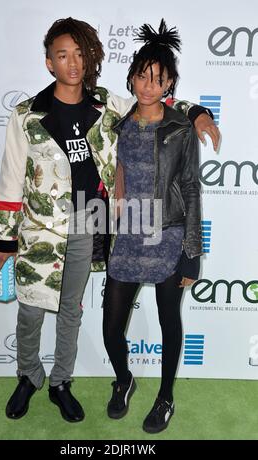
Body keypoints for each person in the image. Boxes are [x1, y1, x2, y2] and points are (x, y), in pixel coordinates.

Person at [0, 17, 218, 423]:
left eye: (79, 54)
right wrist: (4, 239)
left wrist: (197, 111)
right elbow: (10, 179)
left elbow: (157, 105)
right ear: (49, 62)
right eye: (63, 55)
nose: (73, 62)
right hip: (42, 229)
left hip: (91, 224)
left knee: (72, 312)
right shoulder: (27, 115)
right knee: (31, 310)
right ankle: (28, 376)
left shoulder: (105, 105)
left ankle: (61, 383)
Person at [102, 19, 202, 433]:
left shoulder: (180, 128)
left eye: (157, 79)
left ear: (169, 84)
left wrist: (191, 256)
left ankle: (165, 398)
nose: (147, 85)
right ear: (132, 77)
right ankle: (124, 380)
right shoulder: (116, 121)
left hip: (168, 234)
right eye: (142, 76)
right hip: (128, 233)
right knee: (110, 323)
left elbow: (192, 187)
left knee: (168, 321)